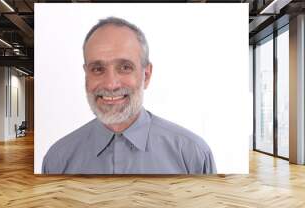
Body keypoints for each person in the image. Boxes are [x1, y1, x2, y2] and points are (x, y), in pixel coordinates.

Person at [42, 17, 217, 174]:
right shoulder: (57, 159)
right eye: (97, 69)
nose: (111, 84)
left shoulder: (193, 154)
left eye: (125, 67)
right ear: (86, 75)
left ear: (146, 75)